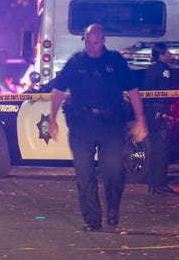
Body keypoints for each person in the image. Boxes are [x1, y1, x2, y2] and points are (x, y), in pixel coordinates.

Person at [48, 24, 149, 231]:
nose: (91, 47)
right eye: (87, 42)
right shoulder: (76, 62)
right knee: (84, 173)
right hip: (81, 125)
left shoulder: (115, 61)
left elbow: (133, 91)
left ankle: (113, 208)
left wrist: (141, 120)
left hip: (110, 125)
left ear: (103, 41)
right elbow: (58, 91)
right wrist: (52, 119)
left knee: (113, 169)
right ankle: (92, 219)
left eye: (95, 43)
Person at [142, 42, 179, 196]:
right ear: (161, 55)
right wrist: (165, 112)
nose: (170, 55)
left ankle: (153, 185)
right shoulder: (164, 70)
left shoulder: (150, 69)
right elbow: (164, 93)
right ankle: (160, 185)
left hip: (150, 112)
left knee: (153, 150)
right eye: (168, 52)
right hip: (159, 113)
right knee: (161, 150)